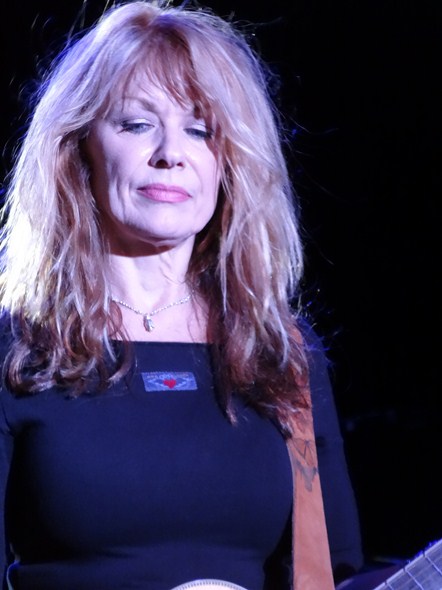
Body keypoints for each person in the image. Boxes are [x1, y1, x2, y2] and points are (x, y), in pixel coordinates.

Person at [0, 1, 363, 588]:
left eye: (200, 130)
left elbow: (334, 573)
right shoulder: (16, 352)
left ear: (230, 162)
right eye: (136, 124)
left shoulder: (282, 355)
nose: (171, 153)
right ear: (77, 149)